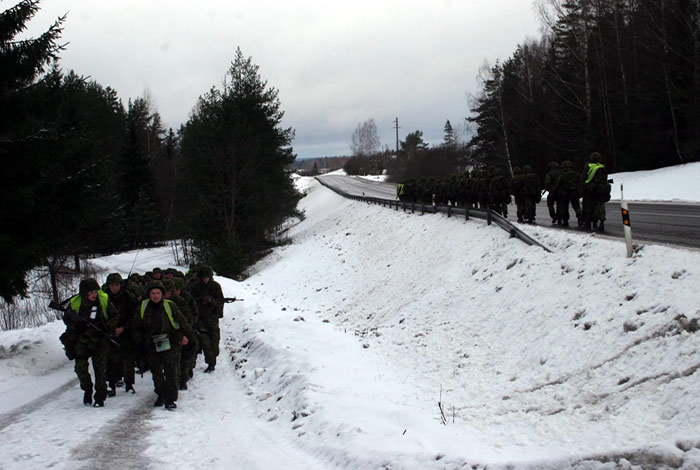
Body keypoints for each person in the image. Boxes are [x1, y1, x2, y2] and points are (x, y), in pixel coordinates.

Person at [133, 280, 195, 409]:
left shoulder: (170, 306)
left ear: (162, 294)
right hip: (152, 343)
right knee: (156, 372)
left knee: (171, 371)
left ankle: (171, 399)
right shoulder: (143, 307)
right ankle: (161, 394)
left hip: (170, 341)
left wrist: (190, 337)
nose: (155, 295)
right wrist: (139, 341)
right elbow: (137, 326)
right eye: (153, 293)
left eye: (158, 293)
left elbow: (183, 322)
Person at [60, 278, 118, 407]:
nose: (94, 295)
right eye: (90, 292)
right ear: (84, 293)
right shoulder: (75, 303)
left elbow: (114, 315)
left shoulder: (103, 300)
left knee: (100, 369)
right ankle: (87, 389)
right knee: (80, 368)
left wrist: (108, 327)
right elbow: (67, 319)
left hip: (99, 339)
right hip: (82, 340)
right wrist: (76, 326)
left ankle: (100, 397)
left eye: (95, 291)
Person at [104, 272, 137, 394]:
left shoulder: (128, 297)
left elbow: (134, 316)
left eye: (117, 285)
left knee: (128, 358)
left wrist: (124, 328)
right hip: (109, 332)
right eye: (112, 285)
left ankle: (129, 384)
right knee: (110, 360)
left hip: (126, 331)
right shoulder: (104, 298)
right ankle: (111, 384)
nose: (114, 287)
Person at [191, 265, 224, 373]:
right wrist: (201, 301)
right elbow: (191, 302)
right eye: (203, 277)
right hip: (200, 318)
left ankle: (213, 358)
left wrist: (211, 301)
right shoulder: (195, 287)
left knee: (214, 342)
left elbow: (220, 301)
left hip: (212, 318)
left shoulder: (215, 286)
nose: (205, 279)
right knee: (205, 343)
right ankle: (210, 363)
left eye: (207, 277)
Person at [582, 152, 611, 231]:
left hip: (591, 190)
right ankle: (601, 222)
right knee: (600, 207)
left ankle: (588, 223)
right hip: (601, 190)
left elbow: (584, 178)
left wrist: (583, 186)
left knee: (589, 207)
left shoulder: (588, 166)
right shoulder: (602, 166)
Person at [556, 161, 582, 227]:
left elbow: (558, 184)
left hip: (565, 193)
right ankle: (580, 218)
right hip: (574, 192)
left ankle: (565, 221)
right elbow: (580, 183)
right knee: (576, 207)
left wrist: (555, 192)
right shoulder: (576, 174)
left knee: (564, 207)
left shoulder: (563, 174)